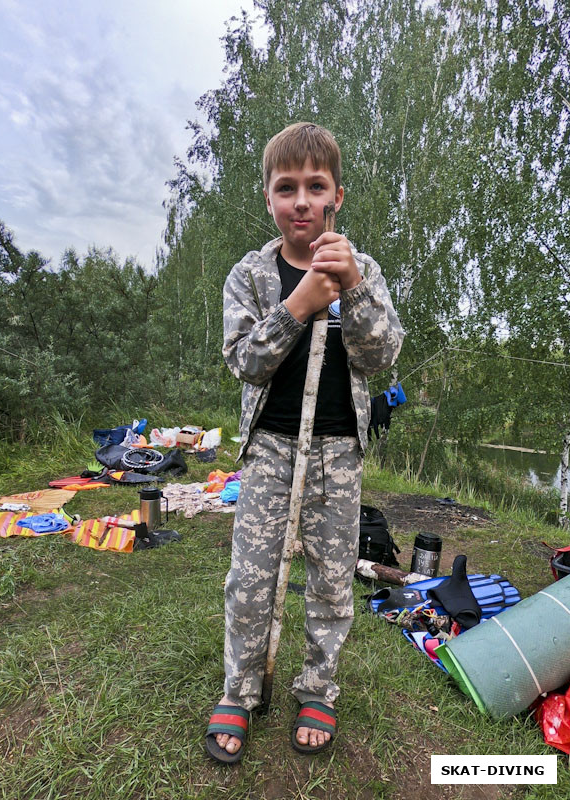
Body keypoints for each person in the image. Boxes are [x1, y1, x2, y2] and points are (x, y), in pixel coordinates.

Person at [205, 122, 404, 763]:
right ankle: (240, 688)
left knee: (332, 578)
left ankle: (318, 684)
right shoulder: (250, 275)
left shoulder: (360, 269)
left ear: (335, 197)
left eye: (314, 187)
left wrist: (352, 290)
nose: (300, 200)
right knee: (251, 578)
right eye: (286, 188)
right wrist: (298, 305)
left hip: (338, 452)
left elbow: (381, 355)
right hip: (269, 448)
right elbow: (244, 361)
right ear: (269, 199)